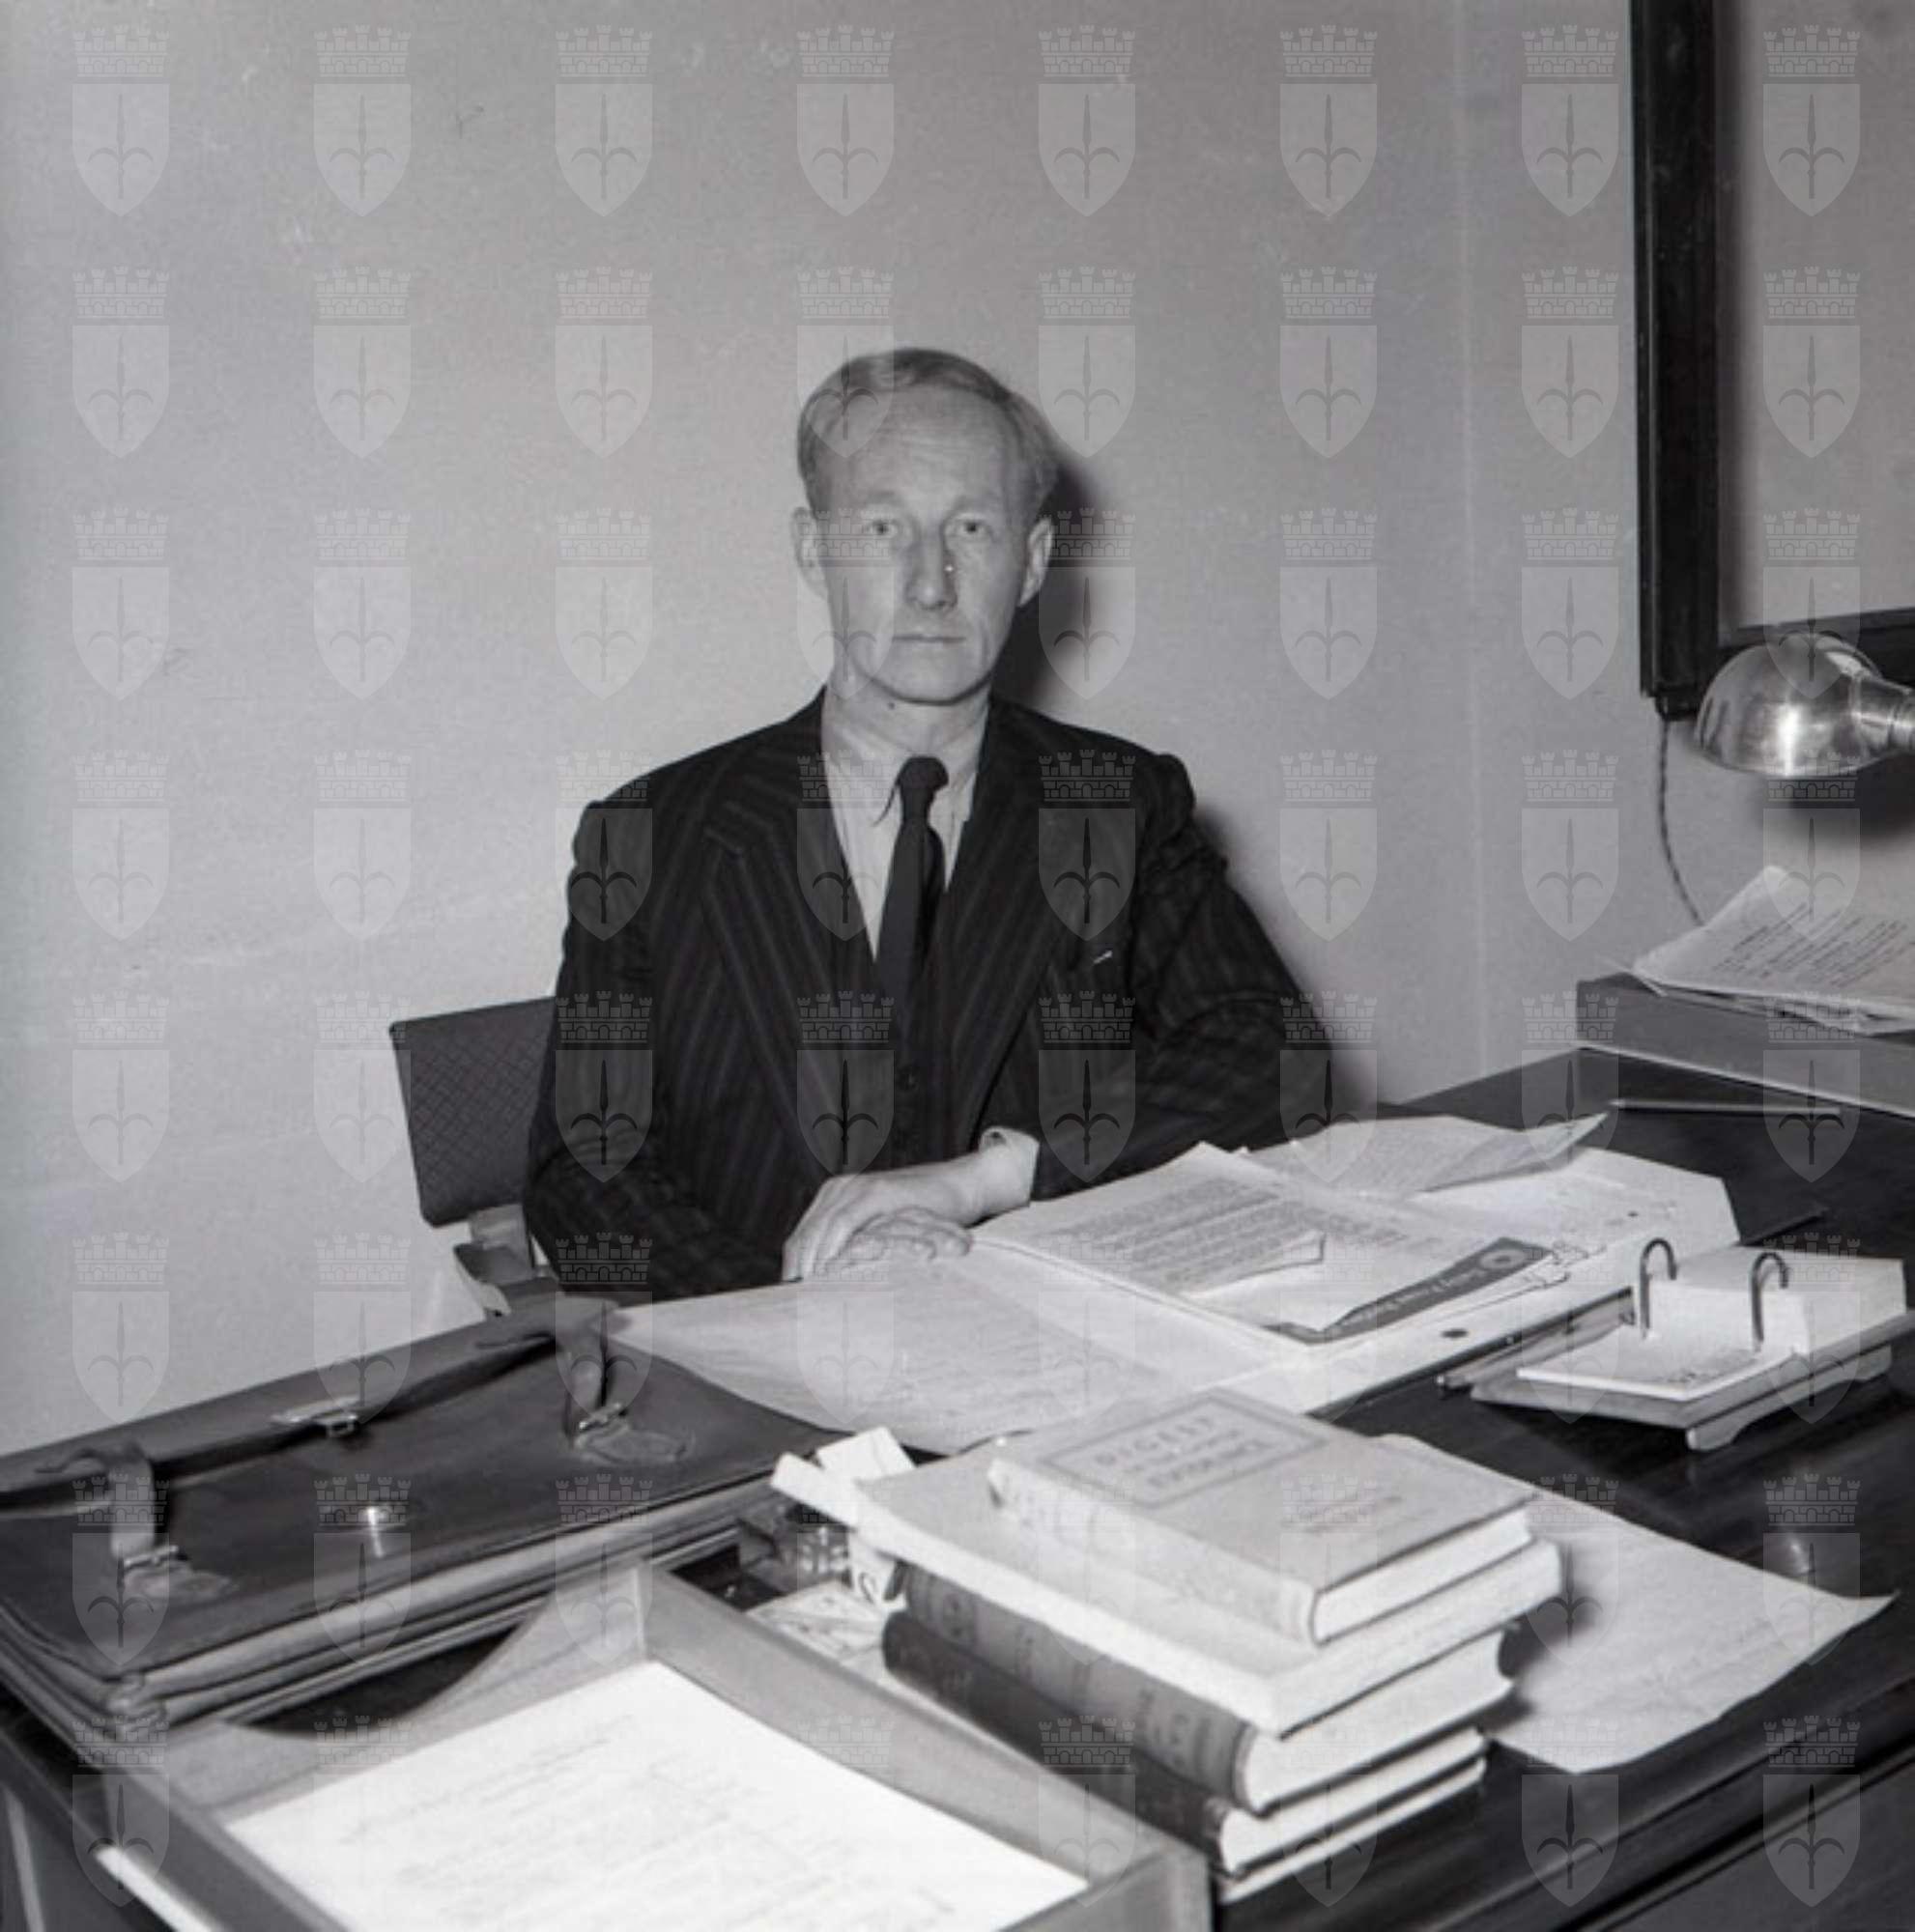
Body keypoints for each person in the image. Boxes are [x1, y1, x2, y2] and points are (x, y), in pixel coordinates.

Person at [526, 349, 1309, 1297]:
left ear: (1032, 560)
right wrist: (788, 1307)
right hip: (760, 1346)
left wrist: (989, 1177)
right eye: (883, 527)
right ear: (814, 549)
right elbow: (582, 1170)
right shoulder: (649, 836)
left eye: (972, 528)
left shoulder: (1121, 800)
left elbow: (1271, 1053)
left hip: (1052, 1339)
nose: (930, 582)